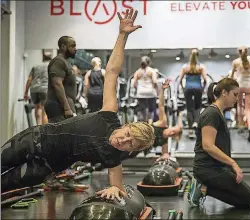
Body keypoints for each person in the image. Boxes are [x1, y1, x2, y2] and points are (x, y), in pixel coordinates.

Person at [1, 10, 155, 201]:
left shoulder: (113, 157)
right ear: (126, 126)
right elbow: (112, 72)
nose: (123, 140)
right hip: (34, 139)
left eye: (130, 144)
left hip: (45, 167)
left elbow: (117, 185)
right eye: (128, 134)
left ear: (131, 151)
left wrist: (115, 189)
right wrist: (122, 35)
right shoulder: (108, 115)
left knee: (3, 185)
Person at [188, 78, 250, 208]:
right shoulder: (211, 113)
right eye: (235, 94)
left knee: (246, 199)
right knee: (249, 198)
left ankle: (204, 188)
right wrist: (233, 163)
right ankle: (202, 188)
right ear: (224, 92)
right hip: (207, 169)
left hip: (217, 167)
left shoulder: (218, 112)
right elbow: (208, 146)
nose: (237, 98)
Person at [44, 35, 77, 123]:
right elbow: (57, 84)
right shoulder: (58, 61)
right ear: (63, 47)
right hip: (58, 107)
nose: (75, 49)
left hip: (64, 106)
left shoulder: (65, 62)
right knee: (60, 136)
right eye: (72, 46)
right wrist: (66, 108)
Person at [231, 46, 250, 142]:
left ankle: (241, 124)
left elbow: (231, 76)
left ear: (238, 52)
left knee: (239, 106)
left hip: (239, 85)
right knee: (248, 109)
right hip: (249, 86)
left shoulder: (235, 62)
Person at [151, 79, 183, 161]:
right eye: (173, 130)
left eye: (173, 135)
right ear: (171, 127)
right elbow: (161, 105)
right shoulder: (162, 123)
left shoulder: (164, 142)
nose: (171, 133)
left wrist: (163, 158)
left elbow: (165, 155)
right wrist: (162, 90)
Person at [179, 49, 208, 138]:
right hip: (198, 88)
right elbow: (205, 80)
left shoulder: (185, 67)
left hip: (188, 89)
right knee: (197, 107)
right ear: (198, 56)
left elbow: (180, 80)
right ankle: (196, 122)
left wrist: (184, 88)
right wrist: (202, 88)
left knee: (189, 108)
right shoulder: (201, 67)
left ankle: (190, 130)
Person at [23, 53, 51, 125]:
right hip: (45, 89)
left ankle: (38, 127)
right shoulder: (50, 67)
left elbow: (29, 79)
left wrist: (26, 92)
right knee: (44, 110)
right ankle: (43, 130)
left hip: (34, 89)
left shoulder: (35, 66)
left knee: (37, 107)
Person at [133, 56, 158, 124]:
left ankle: (145, 123)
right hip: (151, 92)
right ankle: (150, 124)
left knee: (143, 110)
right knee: (151, 110)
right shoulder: (152, 71)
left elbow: (134, 84)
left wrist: (138, 88)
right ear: (149, 62)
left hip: (141, 93)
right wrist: (155, 89)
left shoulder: (138, 72)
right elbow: (155, 81)